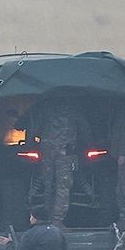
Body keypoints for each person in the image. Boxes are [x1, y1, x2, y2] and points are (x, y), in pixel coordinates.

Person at [35, 96, 79, 225]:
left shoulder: (45, 107)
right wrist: (91, 142)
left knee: (48, 185)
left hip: (47, 151)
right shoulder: (73, 109)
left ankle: (46, 217)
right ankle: (57, 220)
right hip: (65, 153)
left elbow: (35, 128)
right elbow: (83, 127)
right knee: (63, 187)